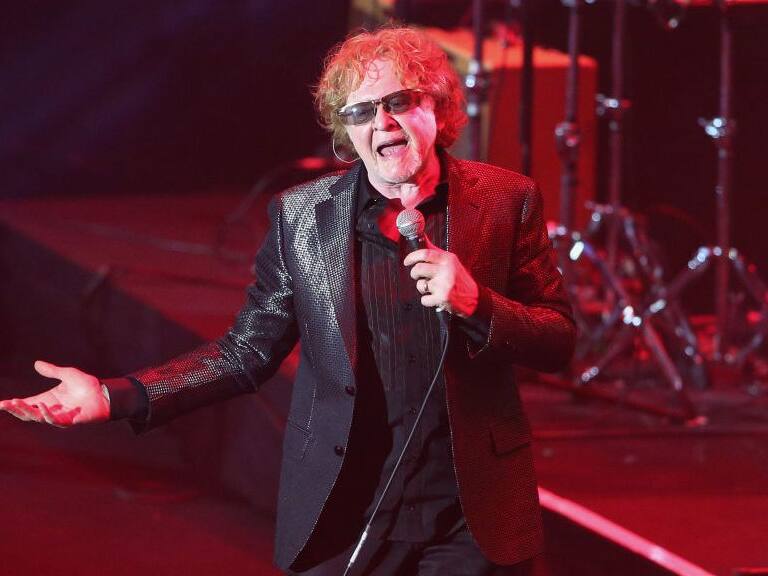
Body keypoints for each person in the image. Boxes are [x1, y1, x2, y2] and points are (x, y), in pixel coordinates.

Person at [0, 26, 575, 575]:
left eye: (399, 101)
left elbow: (557, 339)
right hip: (349, 507)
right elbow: (246, 352)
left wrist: (478, 304)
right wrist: (116, 395)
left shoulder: (505, 201)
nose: (382, 122)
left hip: (469, 513)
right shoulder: (302, 218)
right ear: (345, 132)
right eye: (360, 111)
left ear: (438, 109)